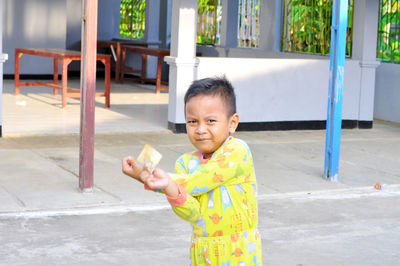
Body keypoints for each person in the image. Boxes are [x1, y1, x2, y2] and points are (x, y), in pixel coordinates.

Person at [122, 77, 262, 265]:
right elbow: (191, 212)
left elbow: (204, 178)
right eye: (193, 121)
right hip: (202, 253)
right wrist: (167, 187)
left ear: (232, 123)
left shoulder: (237, 151)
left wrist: (150, 178)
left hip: (240, 252)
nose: (200, 129)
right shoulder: (186, 163)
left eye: (211, 121)